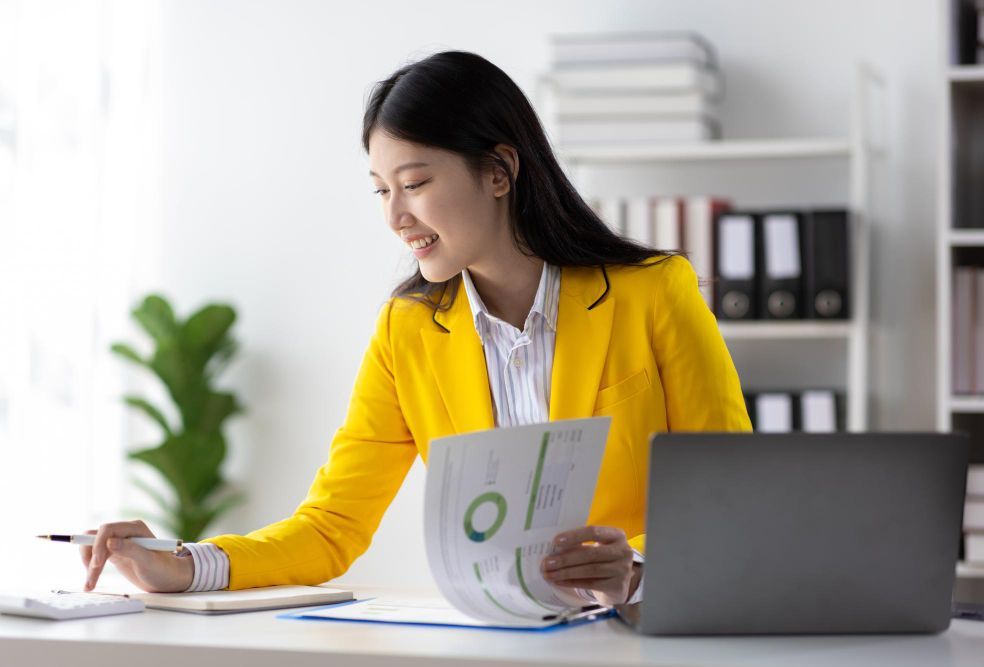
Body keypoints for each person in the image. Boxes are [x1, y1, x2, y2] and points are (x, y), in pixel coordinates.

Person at [80, 51, 751, 607]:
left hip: (639, 641)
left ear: (499, 170)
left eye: (415, 182)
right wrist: (183, 561)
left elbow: (734, 498)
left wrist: (636, 572)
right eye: (381, 190)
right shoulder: (408, 330)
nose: (396, 216)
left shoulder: (653, 291)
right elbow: (330, 527)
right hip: (494, 644)